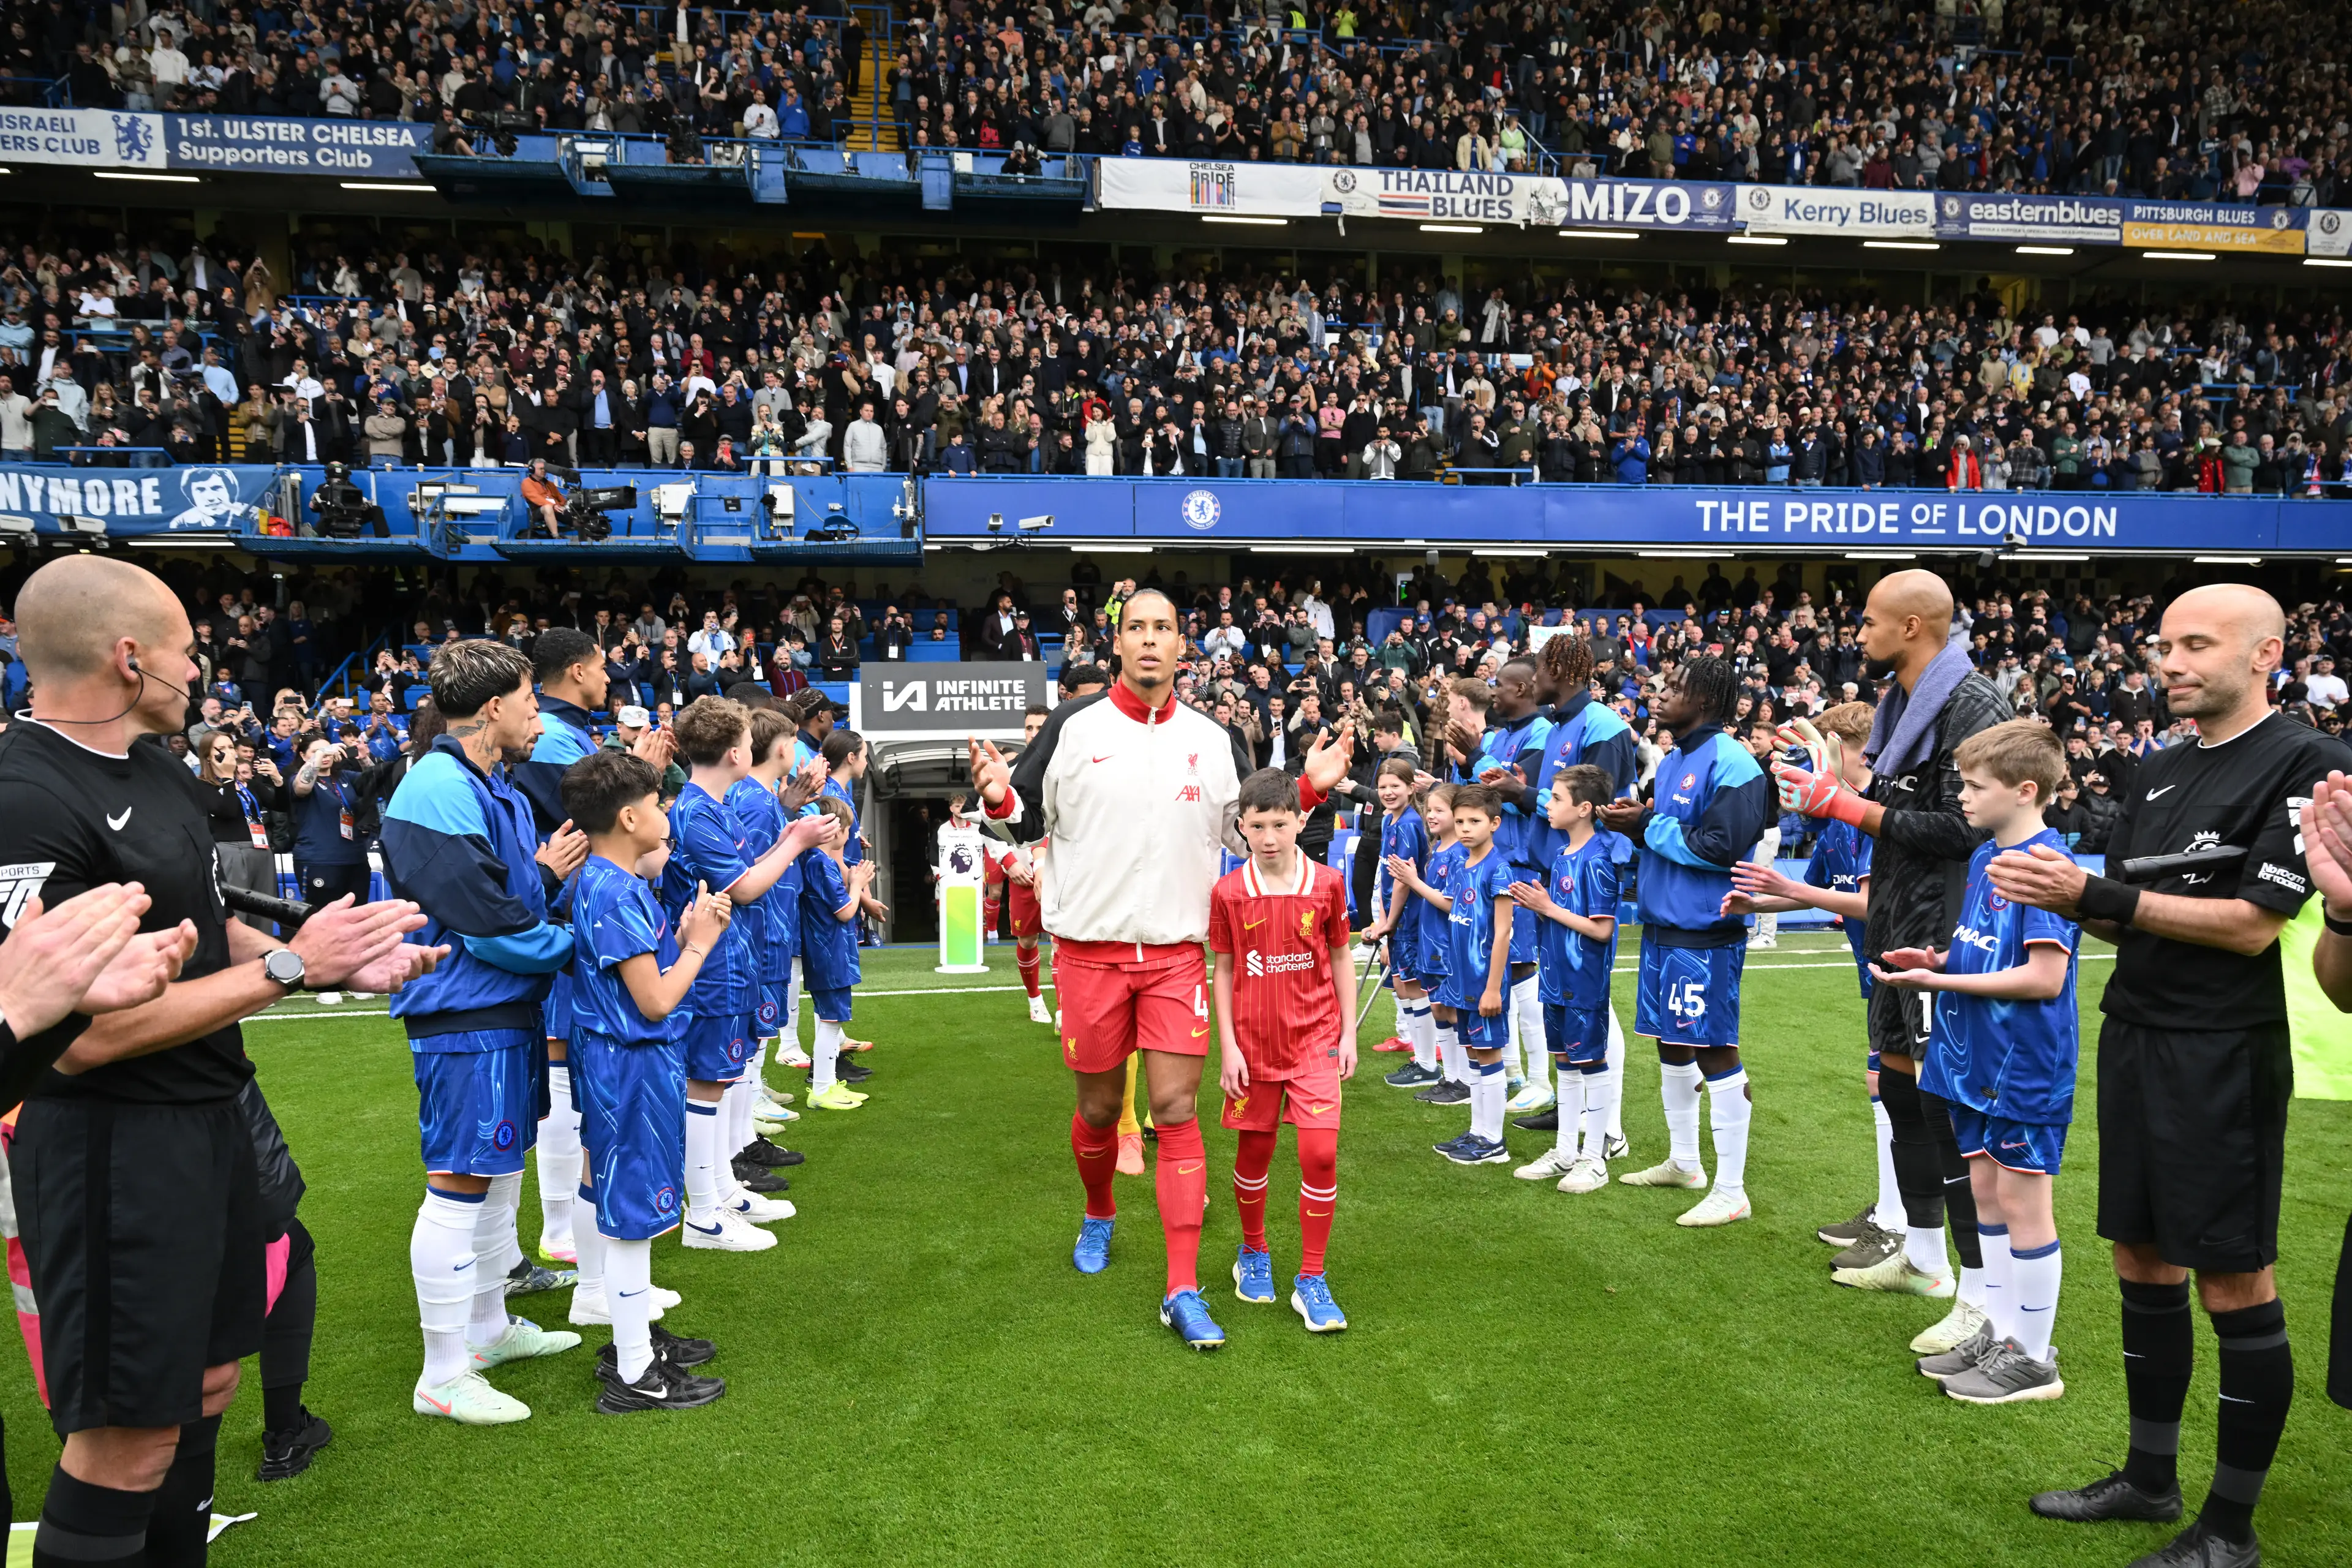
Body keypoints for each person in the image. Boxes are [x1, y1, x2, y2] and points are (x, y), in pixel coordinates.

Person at [0, 554, 431, 1564]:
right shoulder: (25, 797)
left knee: (204, 1390)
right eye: (189, 651)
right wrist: (291, 964)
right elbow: (80, 1034)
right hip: (112, 1149)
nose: (201, 670)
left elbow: (195, 929)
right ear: (129, 657)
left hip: (210, 1115)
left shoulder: (155, 767)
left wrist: (330, 967)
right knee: (125, 1438)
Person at [1991, 584, 2350, 1568]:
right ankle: (2150, 1482)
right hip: (2137, 1032)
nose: (2172, 662)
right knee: (2141, 1260)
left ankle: (2229, 1531)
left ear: (2267, 652)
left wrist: (2094, 893)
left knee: (2232, 1279)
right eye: (2163, 645)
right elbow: (2120, 909)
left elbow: (2250, 927)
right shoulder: (2155, 769)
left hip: (2222, 1051)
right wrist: (2058, 894)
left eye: (2198, 645)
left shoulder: (2308, 761)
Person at [966, 587, 1353, 1352]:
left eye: (1164, 628)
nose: (1150, 640)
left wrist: (1308, 788)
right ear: (1118, 643)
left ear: (1184, 646)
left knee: (1176, 1110)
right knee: (1104, 1111)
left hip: (1179, 955)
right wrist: (999, 794)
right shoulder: (1075, 726)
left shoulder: (1213, 740)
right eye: (1136, 628)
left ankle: (1182, 1288)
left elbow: (1250, 838)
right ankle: (1101, 1211)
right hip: (1089, 953)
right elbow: (1026, 814)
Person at [1776, 570, 2009, 1360]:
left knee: (1947, 1110)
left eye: (1871, 621)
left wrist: (1844, 805)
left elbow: (1968, 827)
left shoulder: (1973, 703)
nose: (1859, 633)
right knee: (1903, 1092)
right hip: (1897, 916)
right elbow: (1907, 818)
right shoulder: (1902, 703)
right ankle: (1924, 1255)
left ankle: (1983, 1299)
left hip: (1945, 929)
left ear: (1913, 626)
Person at [382, 639, 591, 1426]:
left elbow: (510, 897)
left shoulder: (488, 784)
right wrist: (588, 942)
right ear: (495, 707)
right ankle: (442, 1372)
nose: (541, 712)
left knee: (499, 1166)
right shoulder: (438, 786)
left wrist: (542, 876)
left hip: (503, 1007)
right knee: (459, 1182)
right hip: (466, 1012)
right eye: (533, 698)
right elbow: (492, 926)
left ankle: (490, 1330)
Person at [1871, 719, 2079, 1406]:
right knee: (1987, 1196)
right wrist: (1936, 960)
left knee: (2023, 1201)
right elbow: (1986, 949)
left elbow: (2044, 977)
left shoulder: (2048, 865)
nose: (1961, 796)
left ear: (2025, 791)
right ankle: (1999, 1330)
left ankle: (2034, 1356)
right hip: (1971, 1057)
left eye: (1973, 785)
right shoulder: (1990, 857)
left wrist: (1941, 985)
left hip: (2022, 1064)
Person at [560, 750, 729, 1413]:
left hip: (629, 1063)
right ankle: (636, 1372)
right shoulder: (612, 888)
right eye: (658, 804)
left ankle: (636, 1344)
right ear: (629, 817)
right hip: (628, 1066)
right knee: (633, 1215)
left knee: (631, 1205)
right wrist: (698, 943)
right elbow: (653, 1001)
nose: (666, 813)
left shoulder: (614, 882)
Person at [1600, 655, 1770, 1227]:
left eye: (1674, 688)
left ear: (1703, 702)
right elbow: (1665, 827)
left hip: (1707, 932)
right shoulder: (1673, 760)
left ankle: (1732, 1188)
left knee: (1714, 1049)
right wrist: (1639, 815)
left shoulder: (1736, 763)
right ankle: (1683, 1161)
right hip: (1664, 925)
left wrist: (1646, 826)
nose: (1659, 693)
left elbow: (1719, 845)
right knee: (1670, 1044)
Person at [1721, 701, 1894, 1256]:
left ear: (1846, 749)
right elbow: (1824, 894)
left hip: (1907, 977)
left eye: (1818, 748)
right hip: (1873, 976)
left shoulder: (1878, 814)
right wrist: (1755, 901)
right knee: (1885, 1088)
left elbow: (1869, 904)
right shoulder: (1838, 825)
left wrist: (1788, 893)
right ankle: (1894, 1209)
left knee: (1898, 1092)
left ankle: (1902, 1220)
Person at [660, 696, 832, 1250]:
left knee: (719, 1079)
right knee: (705, 1085)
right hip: (709, 964)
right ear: (737, 751)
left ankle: (721, 1194)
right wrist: (797, 840)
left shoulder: (716, 805)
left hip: (730, 958)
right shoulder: (696, 809)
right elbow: (747, 885)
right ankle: (704, 1215)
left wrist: (787, 836)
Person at [1210, 768, 1357, 1332]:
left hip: (1316, 1041)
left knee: (1320, 1155)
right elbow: (1222, 970)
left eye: (1280, 823)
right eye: (1257, 826)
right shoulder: (1228, 892)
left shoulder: (1327, 883)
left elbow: (1340, 956)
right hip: (1253, 1047)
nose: (1269, 836)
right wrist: (1228, 1047)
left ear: (1301, 820)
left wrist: (1346, 1032)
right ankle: (1253, 1251)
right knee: (1255, 1156)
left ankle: (1312, 1277)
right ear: (1242, 828)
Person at [1510, 631, 1638, 1151]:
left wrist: (1521, 793)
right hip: (1558, 868)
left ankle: (1608, 1129)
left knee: (1594, 999)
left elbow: (1598, 805)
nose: (1533, 678)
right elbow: (1557, 801)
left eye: (1538, 668)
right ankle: (1576, 1112)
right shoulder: (1559, 723)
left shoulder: (1603, 725)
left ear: (1559, 671)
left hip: (1588, 874)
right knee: (1569, 996)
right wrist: (1519, 789)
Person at [1507, 764, 1621, 1192]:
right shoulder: (1560, 855)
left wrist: (1549, 908)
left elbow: (1602, 929)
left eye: (1556, 799)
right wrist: (1538, 906)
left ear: (1585, 808)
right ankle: (1565, 1151)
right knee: (1565, 1067)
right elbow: (1560, 912)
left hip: (1584, 980)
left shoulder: (1599, 858)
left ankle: (1596, 1159)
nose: (1547, 805)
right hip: (1554, 975)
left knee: (1591, 1064)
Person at [1365, 759, 1438, 1090]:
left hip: (1411, 918)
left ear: (1411, 788)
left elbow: (1403, 881)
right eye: (1383, 786)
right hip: (1397, 918)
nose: (1388, 792)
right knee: (1402, 984)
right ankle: (1422, 1061)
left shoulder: (1409, 824)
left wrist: (1389, 923)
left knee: (1412, 987)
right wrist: (1382, 919)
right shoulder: (1391, 822)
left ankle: (1427, 1064)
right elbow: (1387, 877)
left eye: (1396, 785)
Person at [797, 794, 872, 1110]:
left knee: (831, 1018)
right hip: (829, 953)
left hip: (828, 951)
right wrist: (858, 883)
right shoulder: (820, 863)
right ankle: (822, 1088)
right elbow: (844, 911)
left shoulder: (816, 861)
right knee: (830, 1020)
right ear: (836, 831)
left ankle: (826, 1084)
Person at [1000, 704, 1054, 1027]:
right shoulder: (1011, 771)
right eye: (1029, 728)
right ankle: (1035, 1000)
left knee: (1064, 940)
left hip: (1064, 873)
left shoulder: (1070, 767)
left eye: (1040, 728)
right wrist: (1008, 861)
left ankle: (1066, 1006)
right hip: (1022, 875)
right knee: (1028, 940)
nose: (1034, 734)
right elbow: (990, 825)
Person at [289, 736, 371, 909]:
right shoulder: (298, 778)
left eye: (328, 750)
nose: (325, 755)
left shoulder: (345, 777)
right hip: (319, 860)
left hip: (355, 859)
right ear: (304, 756)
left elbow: (375, 782)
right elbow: (302, 787)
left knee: (357, 919)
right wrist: (319, 757)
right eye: (317, 751)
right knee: (321, 919)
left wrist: (364, 758)